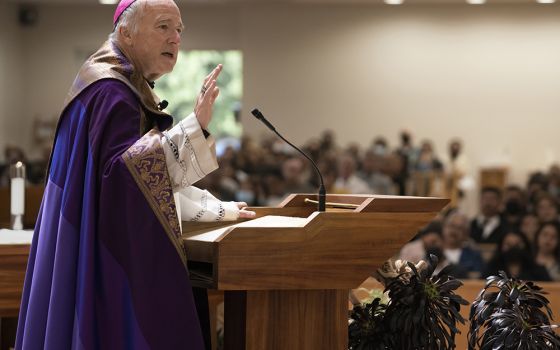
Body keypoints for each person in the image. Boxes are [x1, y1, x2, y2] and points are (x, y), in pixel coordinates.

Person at [15, 1, 254, 349]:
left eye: (179, 30)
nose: (175, 39)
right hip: (102, 253)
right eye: (163, 27)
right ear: (125, 31)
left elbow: (138, 181)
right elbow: (127, 180)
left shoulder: (111, 83)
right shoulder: (111, 91)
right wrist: (194, 127)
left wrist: (222, 210)